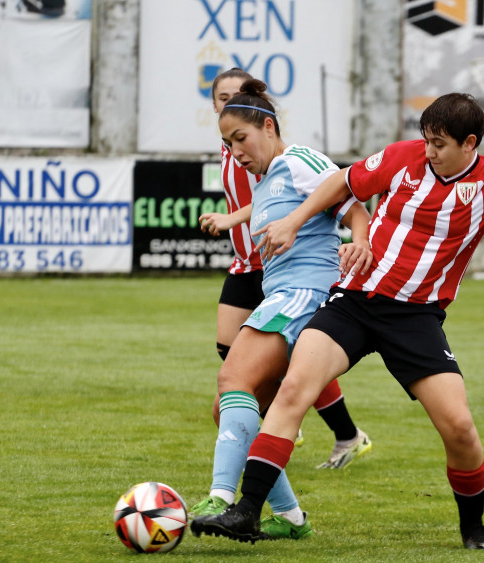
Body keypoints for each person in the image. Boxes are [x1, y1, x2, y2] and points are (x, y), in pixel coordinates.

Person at [191, 92, 484, 549]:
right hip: (352, 300)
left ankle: (473, 529)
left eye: (439, 143)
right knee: (293, 390)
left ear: (469, 143)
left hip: (415, 319)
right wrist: (297, 220)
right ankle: (247, 511)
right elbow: (343, 183)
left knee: (459, 427)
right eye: (426, 139)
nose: (428, 151)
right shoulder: (403, 157)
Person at [191, 78, 374, 539]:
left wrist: (361, 239)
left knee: (233, 379)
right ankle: (289, 516)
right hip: (285, 297)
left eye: (241, 139)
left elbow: (352, 201)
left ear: (268, 126)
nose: (237, 152)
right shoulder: (269, 180)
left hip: (304, 296)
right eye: (228, 145)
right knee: (230, 408)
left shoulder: (298, 160)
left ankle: (222, 497)